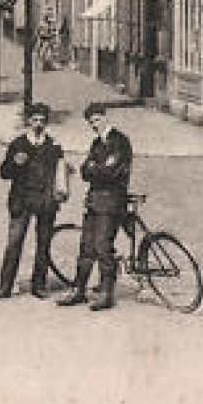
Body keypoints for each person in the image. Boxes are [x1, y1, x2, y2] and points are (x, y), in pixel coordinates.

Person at [59, 103, 134, 311]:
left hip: (111, 202)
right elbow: (85, 171)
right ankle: (79, 290)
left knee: (102, 246)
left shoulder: (120, 141)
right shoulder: (96, 144)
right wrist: (95, 168)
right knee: (86, 247)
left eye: (98, 120)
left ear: (105, 118)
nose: (95, 125)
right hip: (94, 200)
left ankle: (106, 294)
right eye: (91, 122)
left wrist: (95, 168)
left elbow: (112, 172)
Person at [0, 102, 68, 300]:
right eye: (34, 120)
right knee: (14, 242)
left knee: (43, 244)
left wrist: (61, 190)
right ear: (28, 121)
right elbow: (4, 173)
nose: (38, 124)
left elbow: (61, 171)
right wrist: (14, 163)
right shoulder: (18, 144)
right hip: (22, 200)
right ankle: (5, 285)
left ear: (46, 123)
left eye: (42, 121)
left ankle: (39, 285)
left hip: (45, 202)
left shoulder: (53, 145)